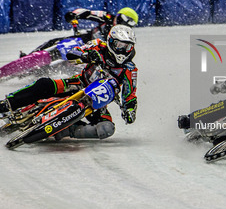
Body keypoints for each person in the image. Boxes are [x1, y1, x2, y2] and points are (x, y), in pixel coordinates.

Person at [0, 25, 138, 140]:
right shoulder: (98, 45)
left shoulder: (130, 70)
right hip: (77, 83)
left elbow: (130, 96)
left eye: (127, 47)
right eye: (119, 45)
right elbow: (73, 52)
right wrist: (87, 56)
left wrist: (130, 111)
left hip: (96, 102)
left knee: (107, 129)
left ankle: (68, 130)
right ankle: (7, 104)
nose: (123, 50)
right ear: (111, 42)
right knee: (44, 84)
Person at [21, 7, 139, 56]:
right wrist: (74, 15)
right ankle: (30, 56)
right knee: (55, 42)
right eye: (123, 22)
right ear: (119, 17)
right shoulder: (107, 17)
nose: (123, 26)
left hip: (98, 51)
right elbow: (88, 13)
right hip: (85, 39)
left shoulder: (126, 35)